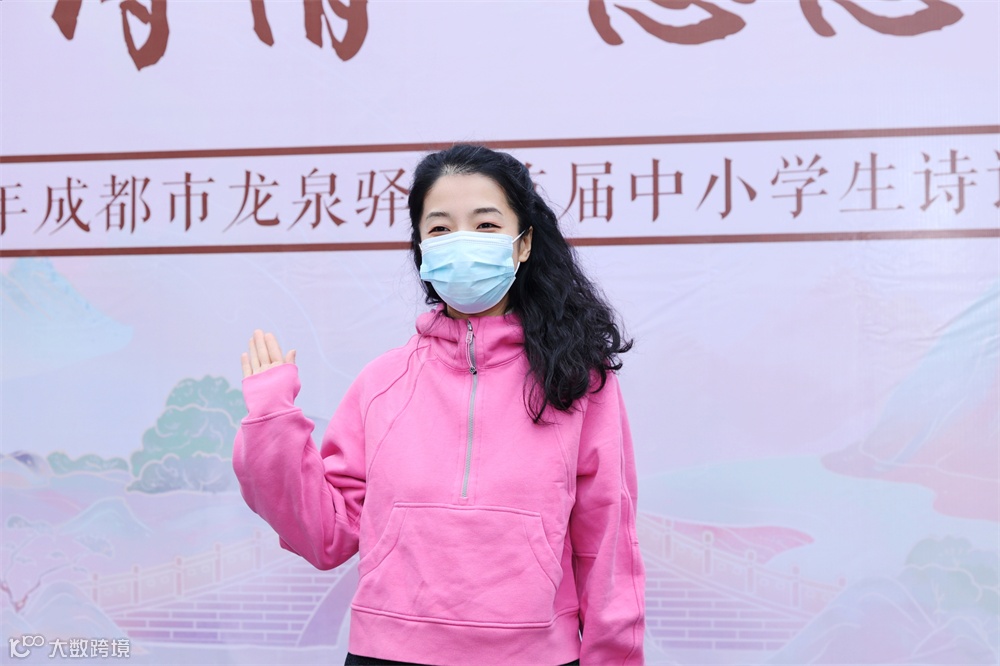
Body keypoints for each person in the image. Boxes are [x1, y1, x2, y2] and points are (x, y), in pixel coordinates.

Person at [234, 144, 645, 666]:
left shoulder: (576, 381)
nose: (462, 242)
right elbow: (325, 537)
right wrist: (271, 423)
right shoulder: (381, 383)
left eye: (486, 225)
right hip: (387, 656)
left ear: (523, 245)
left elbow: (608, 543)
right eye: (441, 228)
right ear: (422, 249)